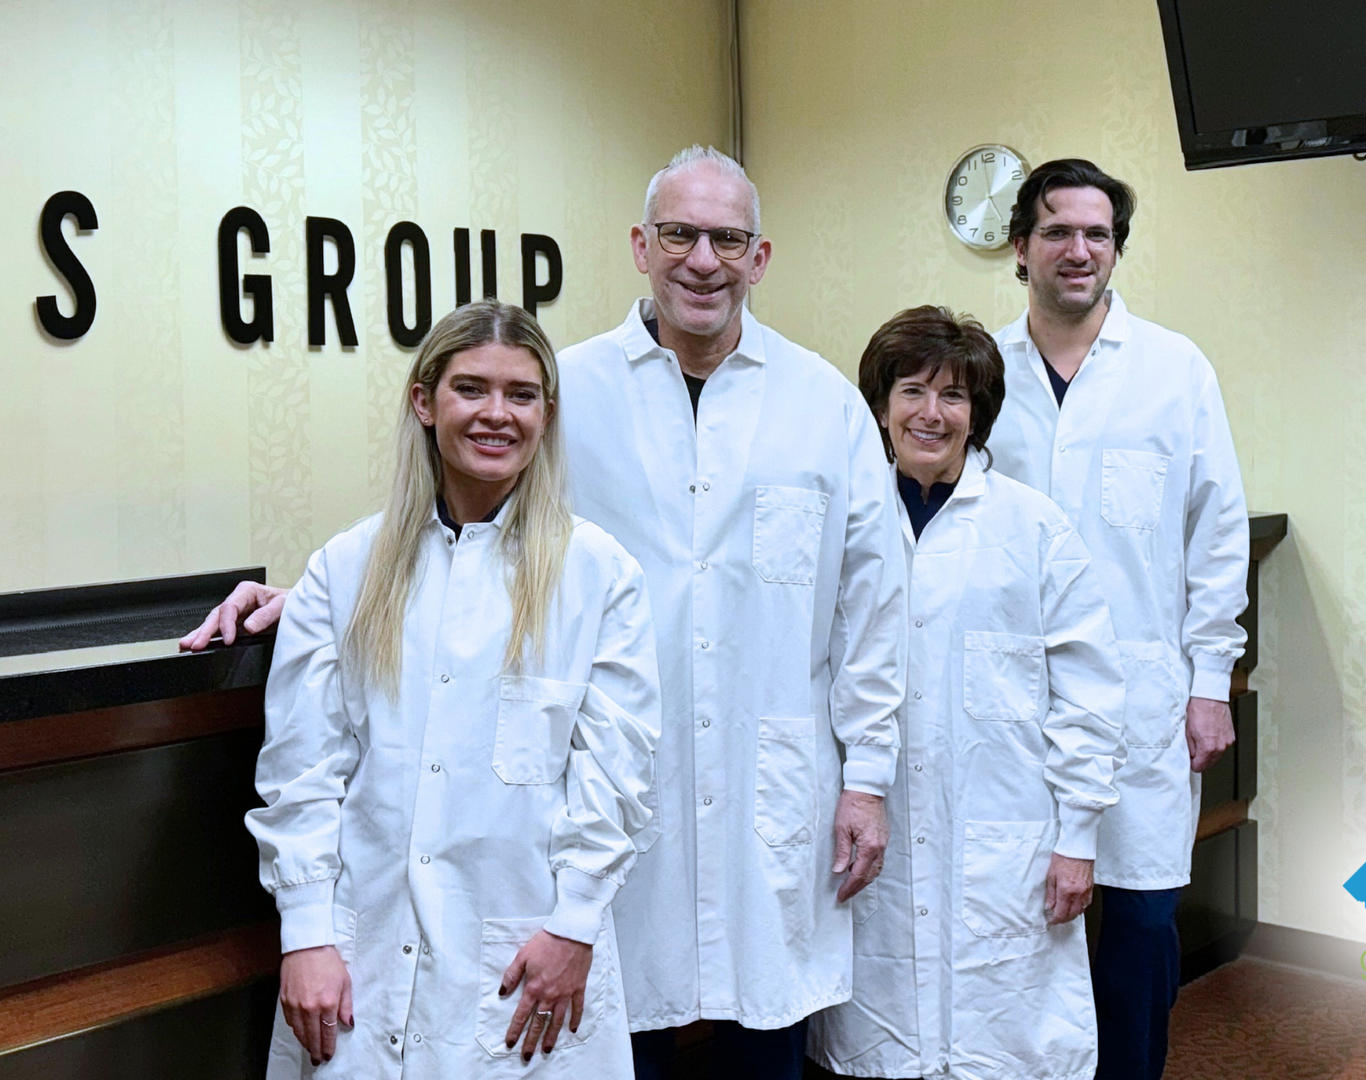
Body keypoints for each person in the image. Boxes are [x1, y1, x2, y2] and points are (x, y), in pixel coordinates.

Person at [190, 146, 907, 1080]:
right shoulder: (567, 386)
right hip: (587, 818)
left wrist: (869, 775)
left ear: (759, 258)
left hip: (761, 784)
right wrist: (314, 596)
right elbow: (464, 512)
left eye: (728, 239)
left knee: (759, 1032)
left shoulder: (824, 405)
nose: (703, 260)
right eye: (681, 235)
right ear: (642, 247)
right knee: (604, 1024)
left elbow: (874, 599)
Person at [246, 300, 662, 1078]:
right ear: (424, 401)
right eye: (471, 389)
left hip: (528, 964)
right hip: (355, 964)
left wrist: (573, 927)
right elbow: (303, 770)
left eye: (522, 394)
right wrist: (305, 933)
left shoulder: (599, 576)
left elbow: (618, 780)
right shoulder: (345, 570)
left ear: (547, 412)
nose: (496, 414)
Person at [809, 306, 1124, 1080]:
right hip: (868, 825)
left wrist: (1077, 837)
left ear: (978, 412)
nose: (930, 413)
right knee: (879, 1045)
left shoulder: (1033, 529)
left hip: (1008, 839)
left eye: (953, 395)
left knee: (1009, 1043)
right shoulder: (842, 523)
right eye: (910, 390)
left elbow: (1089, 693)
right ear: (879, 405)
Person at [986, 160, 1249, 1080]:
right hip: (1008, 698)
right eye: (1057, 231)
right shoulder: (980, 371)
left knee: (1139, 923)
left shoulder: (1174, 371)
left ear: (1116, 251)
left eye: (1097, 234)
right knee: (1021, 917)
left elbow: (1217, 536)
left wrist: (1211, 684)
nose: (1079, 250)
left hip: (1141, 699)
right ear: (1020, 248)